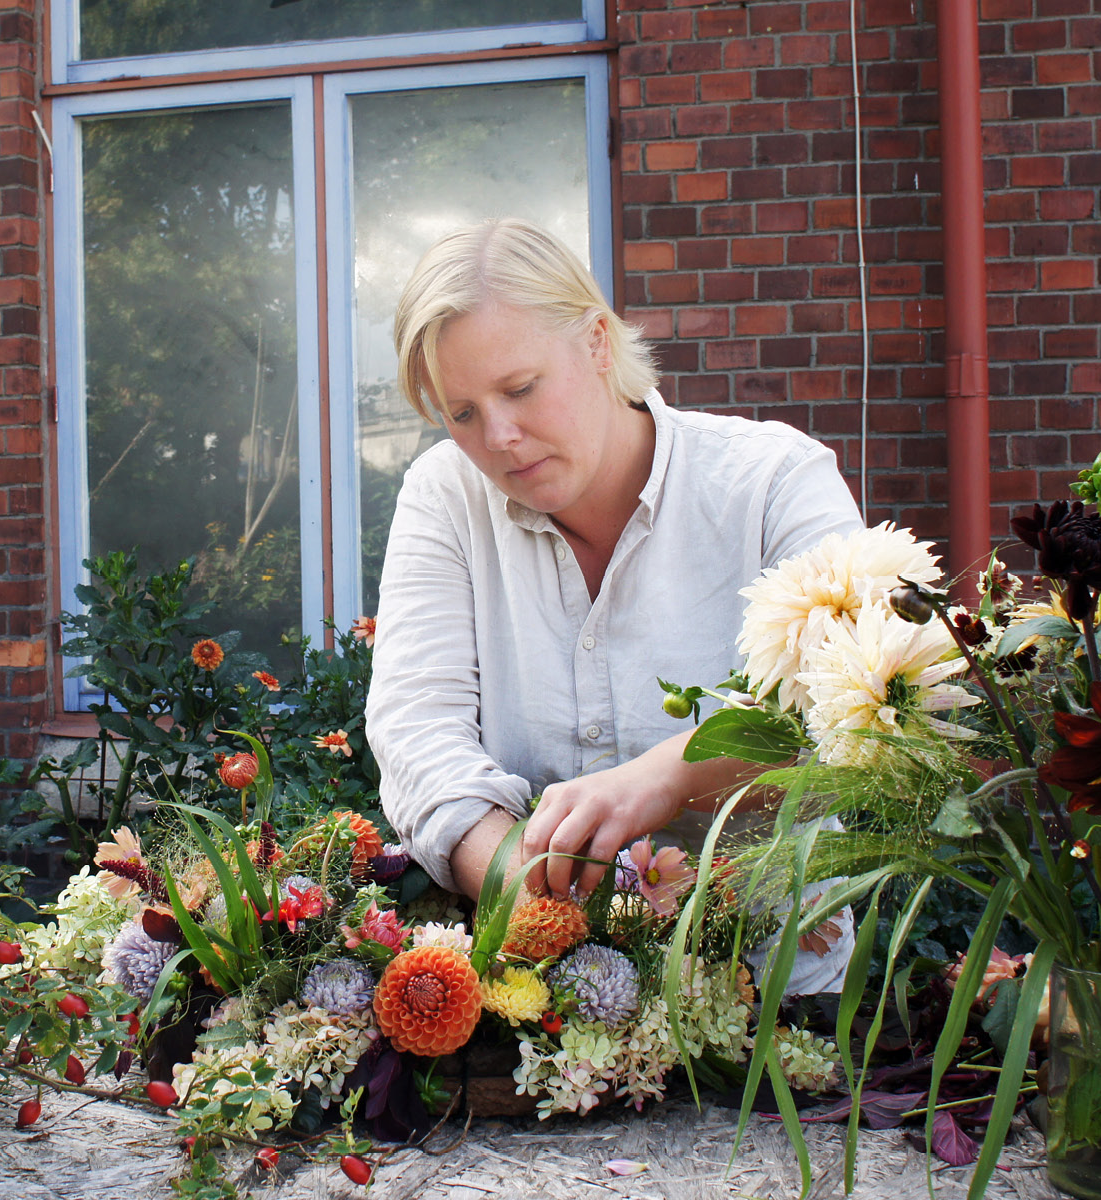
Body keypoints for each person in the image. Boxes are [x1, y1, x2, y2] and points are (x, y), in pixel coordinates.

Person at [365, 219, 865, 951]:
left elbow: (851, 706)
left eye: (521, 388)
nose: (498, 436)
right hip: (543, 1003)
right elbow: (418, 736)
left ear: (598, 341)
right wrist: (532, 899)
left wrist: (665, 778)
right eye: (462, 413)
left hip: (779, 1004)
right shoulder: (446, 497)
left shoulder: (773, 483)